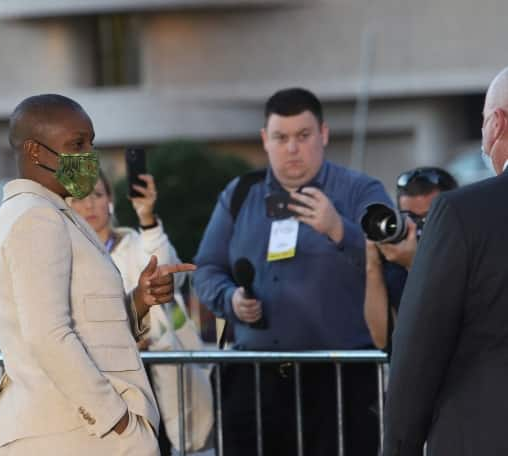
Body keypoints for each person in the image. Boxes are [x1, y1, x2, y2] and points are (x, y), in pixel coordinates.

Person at [0, 94, 195, 456]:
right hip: (75, 435)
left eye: (90, 142)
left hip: (76, 432)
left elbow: (86, 326)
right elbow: (47, 335)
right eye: (77, 144)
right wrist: (116, 420)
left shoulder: (43, 213)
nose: (88, 155)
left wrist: (139, 301)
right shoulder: (36, 217)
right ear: (34, 151)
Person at [193, 87, 393, 455]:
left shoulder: (359, 190)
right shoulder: (239, 193)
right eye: (281, 138)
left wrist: (339, 230)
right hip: (254, 380)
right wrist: (230, 299)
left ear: (324, 135)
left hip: (340, 382)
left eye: (303, 136)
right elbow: (205, 269)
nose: (292, 149)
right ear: (264, 140)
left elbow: (394, 257)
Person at [383, 67, 508, 455]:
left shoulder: (462, 214)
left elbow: (419, 350)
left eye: (484, 121)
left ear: (499, 123)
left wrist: (399, 447)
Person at [68, 171, 213, 455]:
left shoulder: (137, 242)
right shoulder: (66, 253)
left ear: (110, 200)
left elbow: (167, 272)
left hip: (155, 370)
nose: (89, 205)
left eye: (97, 195)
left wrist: (148, 218)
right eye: (79, 198)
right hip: (102, 378)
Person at [364, 167, 457, 350]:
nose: (418, 228)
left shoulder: (464, 256)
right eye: (411, 217)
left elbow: (446, 329)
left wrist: (415, 266)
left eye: (429, 218)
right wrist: (373, 264)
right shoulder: (396, 258)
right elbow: (382, 339)